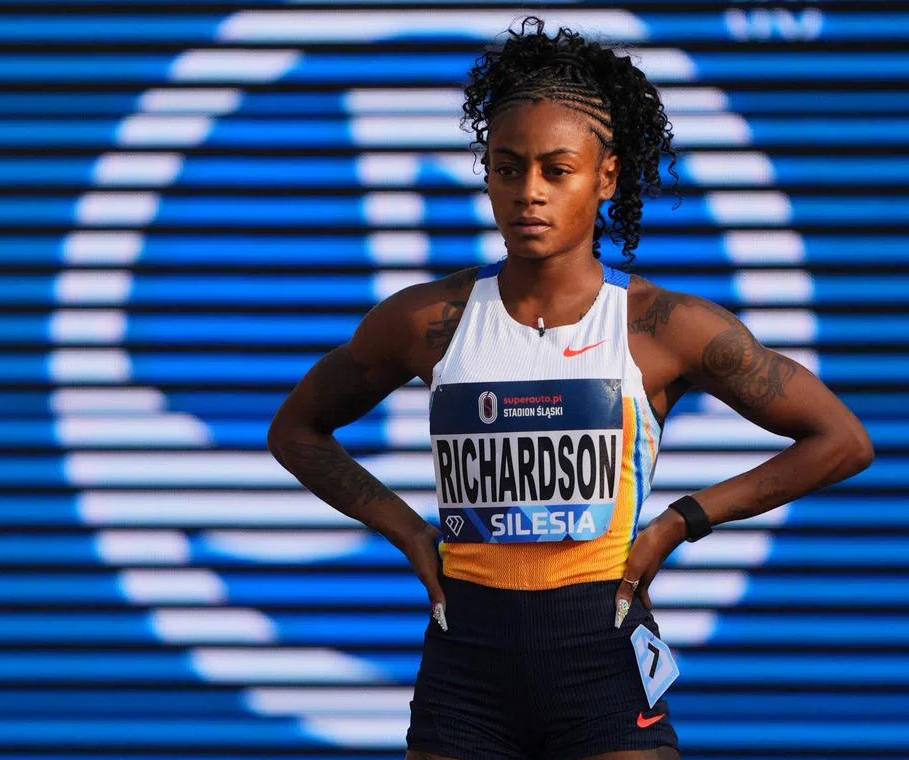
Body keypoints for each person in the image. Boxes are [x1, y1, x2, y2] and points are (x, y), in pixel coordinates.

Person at [267, 17, 873, 760]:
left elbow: (840, 440)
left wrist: (679, 523)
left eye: (557, 170)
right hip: (467, 663)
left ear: (606, 176)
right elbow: (295, 431)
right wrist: (409, 534)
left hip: (602, 657)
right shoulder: (428, 320)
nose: (529, 193)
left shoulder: (662, 326)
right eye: (507, 167)